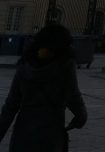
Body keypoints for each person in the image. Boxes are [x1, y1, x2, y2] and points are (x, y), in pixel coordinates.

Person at [0, 23, 88, 152]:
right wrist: (80, 117)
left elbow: (11, 105)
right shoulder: (65, 66)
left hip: (24, 130)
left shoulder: (25, 65)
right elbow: (73, 96)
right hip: (51, 131)